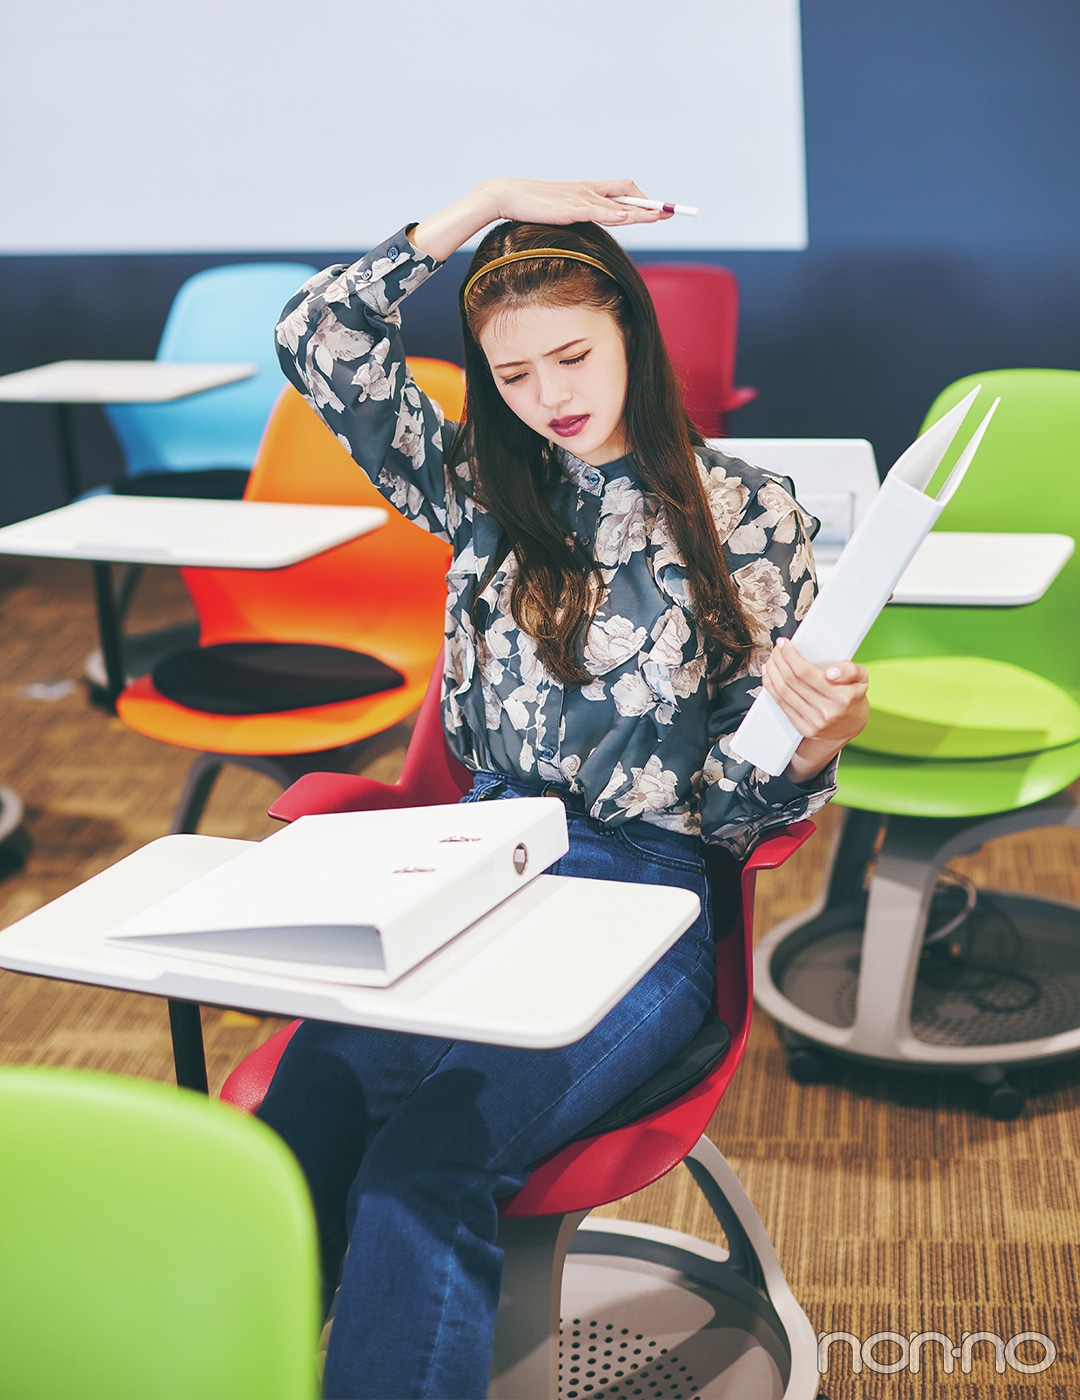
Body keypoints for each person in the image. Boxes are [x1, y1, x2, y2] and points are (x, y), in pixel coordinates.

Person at [261, 177, 869, 1399]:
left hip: (647, 895)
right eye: (516, 374)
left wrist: (806, 753)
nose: (553, 397)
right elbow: (317, 334)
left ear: (634, 333)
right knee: (301, 1120)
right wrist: (481, 204)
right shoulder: (484, 487)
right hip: (475, 863)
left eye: (575, 355)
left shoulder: (752, 514)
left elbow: (740, 813)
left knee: (425, 1163)